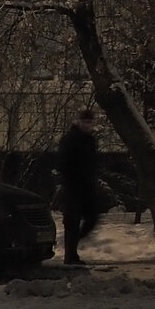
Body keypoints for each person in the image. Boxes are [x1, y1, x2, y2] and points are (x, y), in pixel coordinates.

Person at [56, 108, 102, 266]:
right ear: (79, 122)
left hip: (87, 185)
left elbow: (92, 162)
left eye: (90, 122)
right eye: (84, 122)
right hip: (73, 186)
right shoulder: (71, 138)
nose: (87, 125)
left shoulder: (90, 140)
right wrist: (72, 178)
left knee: (92, 217)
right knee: (72, 221)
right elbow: (63, 162)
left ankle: (74, 245)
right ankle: (70, 255)